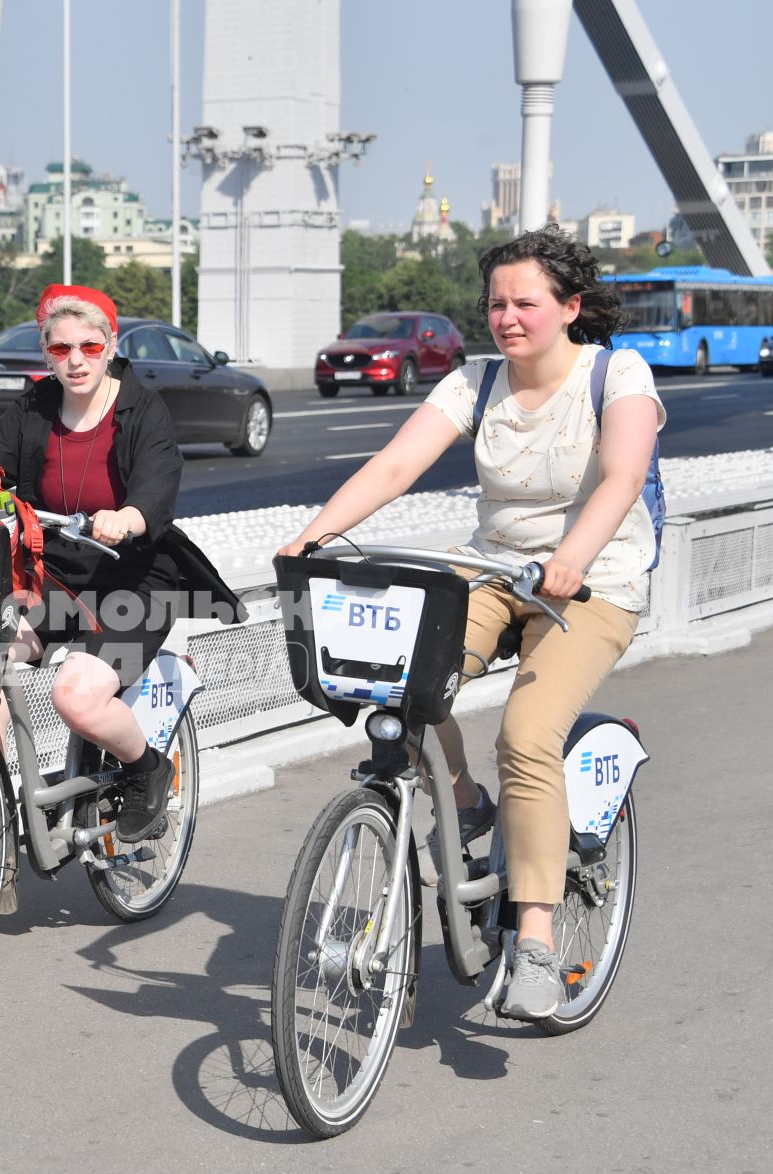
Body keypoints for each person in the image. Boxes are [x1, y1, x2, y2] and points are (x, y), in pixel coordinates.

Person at [277, 225, 665, 1021]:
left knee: (527, 733)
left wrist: (574, 557)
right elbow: (394, 465)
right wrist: (314, 535)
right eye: (497, 302)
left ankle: (534, 943)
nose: (508, 317)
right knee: (400, 681)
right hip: (494, 569)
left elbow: (623, 475)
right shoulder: (475, 383)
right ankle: (464, 795)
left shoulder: (614, 373)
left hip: (592, 583)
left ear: (569, 307)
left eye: (527, 302)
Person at [0, 283, 240, 843]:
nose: (75, 360)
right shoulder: (33, 406)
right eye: (60, 349)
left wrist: (126, 516)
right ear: (46, 352)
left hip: (133, 581)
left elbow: (156, 486)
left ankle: (146, 768)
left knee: (75, 695)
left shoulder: (142, 409)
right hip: (54, 575)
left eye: (89, 345)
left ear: (110, 343)